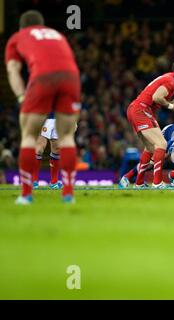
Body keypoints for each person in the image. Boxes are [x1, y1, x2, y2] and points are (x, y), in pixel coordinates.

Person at [5, 10, 80, 204]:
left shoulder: (17, 37)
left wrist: (22, 97)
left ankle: (27, 194)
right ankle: (69, 194)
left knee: (29, 135)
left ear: (23, 27)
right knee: (67, 137)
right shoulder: (58, 35)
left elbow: (13, 70)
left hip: (42, 78)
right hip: (71, 78)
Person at [126, 57, 174, 188]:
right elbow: (156, 97)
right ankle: (157, 182)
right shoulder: (171, 81)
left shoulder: (169, 79)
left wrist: (170, 103)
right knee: (161, 144)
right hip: (141, 109)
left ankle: (139, 182)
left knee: (150, 148)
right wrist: (171, 106)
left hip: (137, 109)